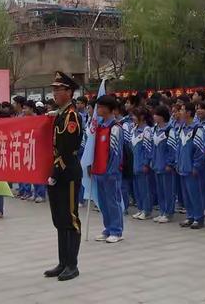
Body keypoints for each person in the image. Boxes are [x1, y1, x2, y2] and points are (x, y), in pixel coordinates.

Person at [44, 72, 83, 281]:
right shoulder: (59, 114)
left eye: (58, 90)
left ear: (69, 92)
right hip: (57, 173)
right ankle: (62, 262)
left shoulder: (71, 117)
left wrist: (55, 173)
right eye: (54, 90)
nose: (55, 93)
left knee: (70, 219)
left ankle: (72, 264)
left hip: (67, 173)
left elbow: (67, 150)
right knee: (59, 219)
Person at [91, 95, 125, 243]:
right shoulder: (99, 127)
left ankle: (117, 231)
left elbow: (116, 152)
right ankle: (108, 228)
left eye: (100, 107)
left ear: (108, 109)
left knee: (113, 201)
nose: (97, 110)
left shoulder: (115, 128)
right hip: (98, 170)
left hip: (110, 172)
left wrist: (112, 171)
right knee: (103, 203)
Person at [177, 102, 205, 229]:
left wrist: (196, 165)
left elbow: (199, 150)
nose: (180, 113)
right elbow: (178, 148)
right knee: (186, 194)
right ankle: (190, 216)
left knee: (195, 194)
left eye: (182, 110)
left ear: (188, 113)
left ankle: (198, 218)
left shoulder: (197, 128)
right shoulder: (181, 128)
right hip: (182, 167)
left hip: (191, 168)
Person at [151, 105, 177, 223]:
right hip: (157, 165)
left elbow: (172, 148)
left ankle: (168, 212)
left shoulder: (169, 130)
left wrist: (169, 163)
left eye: (156, 114)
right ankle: (162, 211)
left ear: (162, 116)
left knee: (168, 190)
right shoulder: (155, 129)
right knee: (160, 190)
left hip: (166, 166)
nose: (154, 116)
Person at [131, 107, 154, 220]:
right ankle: (140, 209)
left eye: (135, 115)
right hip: (134, 164)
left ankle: (147, 210)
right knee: (137, 189)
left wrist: (146, 163)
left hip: (142, 164)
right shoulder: (134, 129)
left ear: (142, 117)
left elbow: (148, 149)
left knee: (145, 188)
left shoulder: (147, 130)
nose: (133, 118)